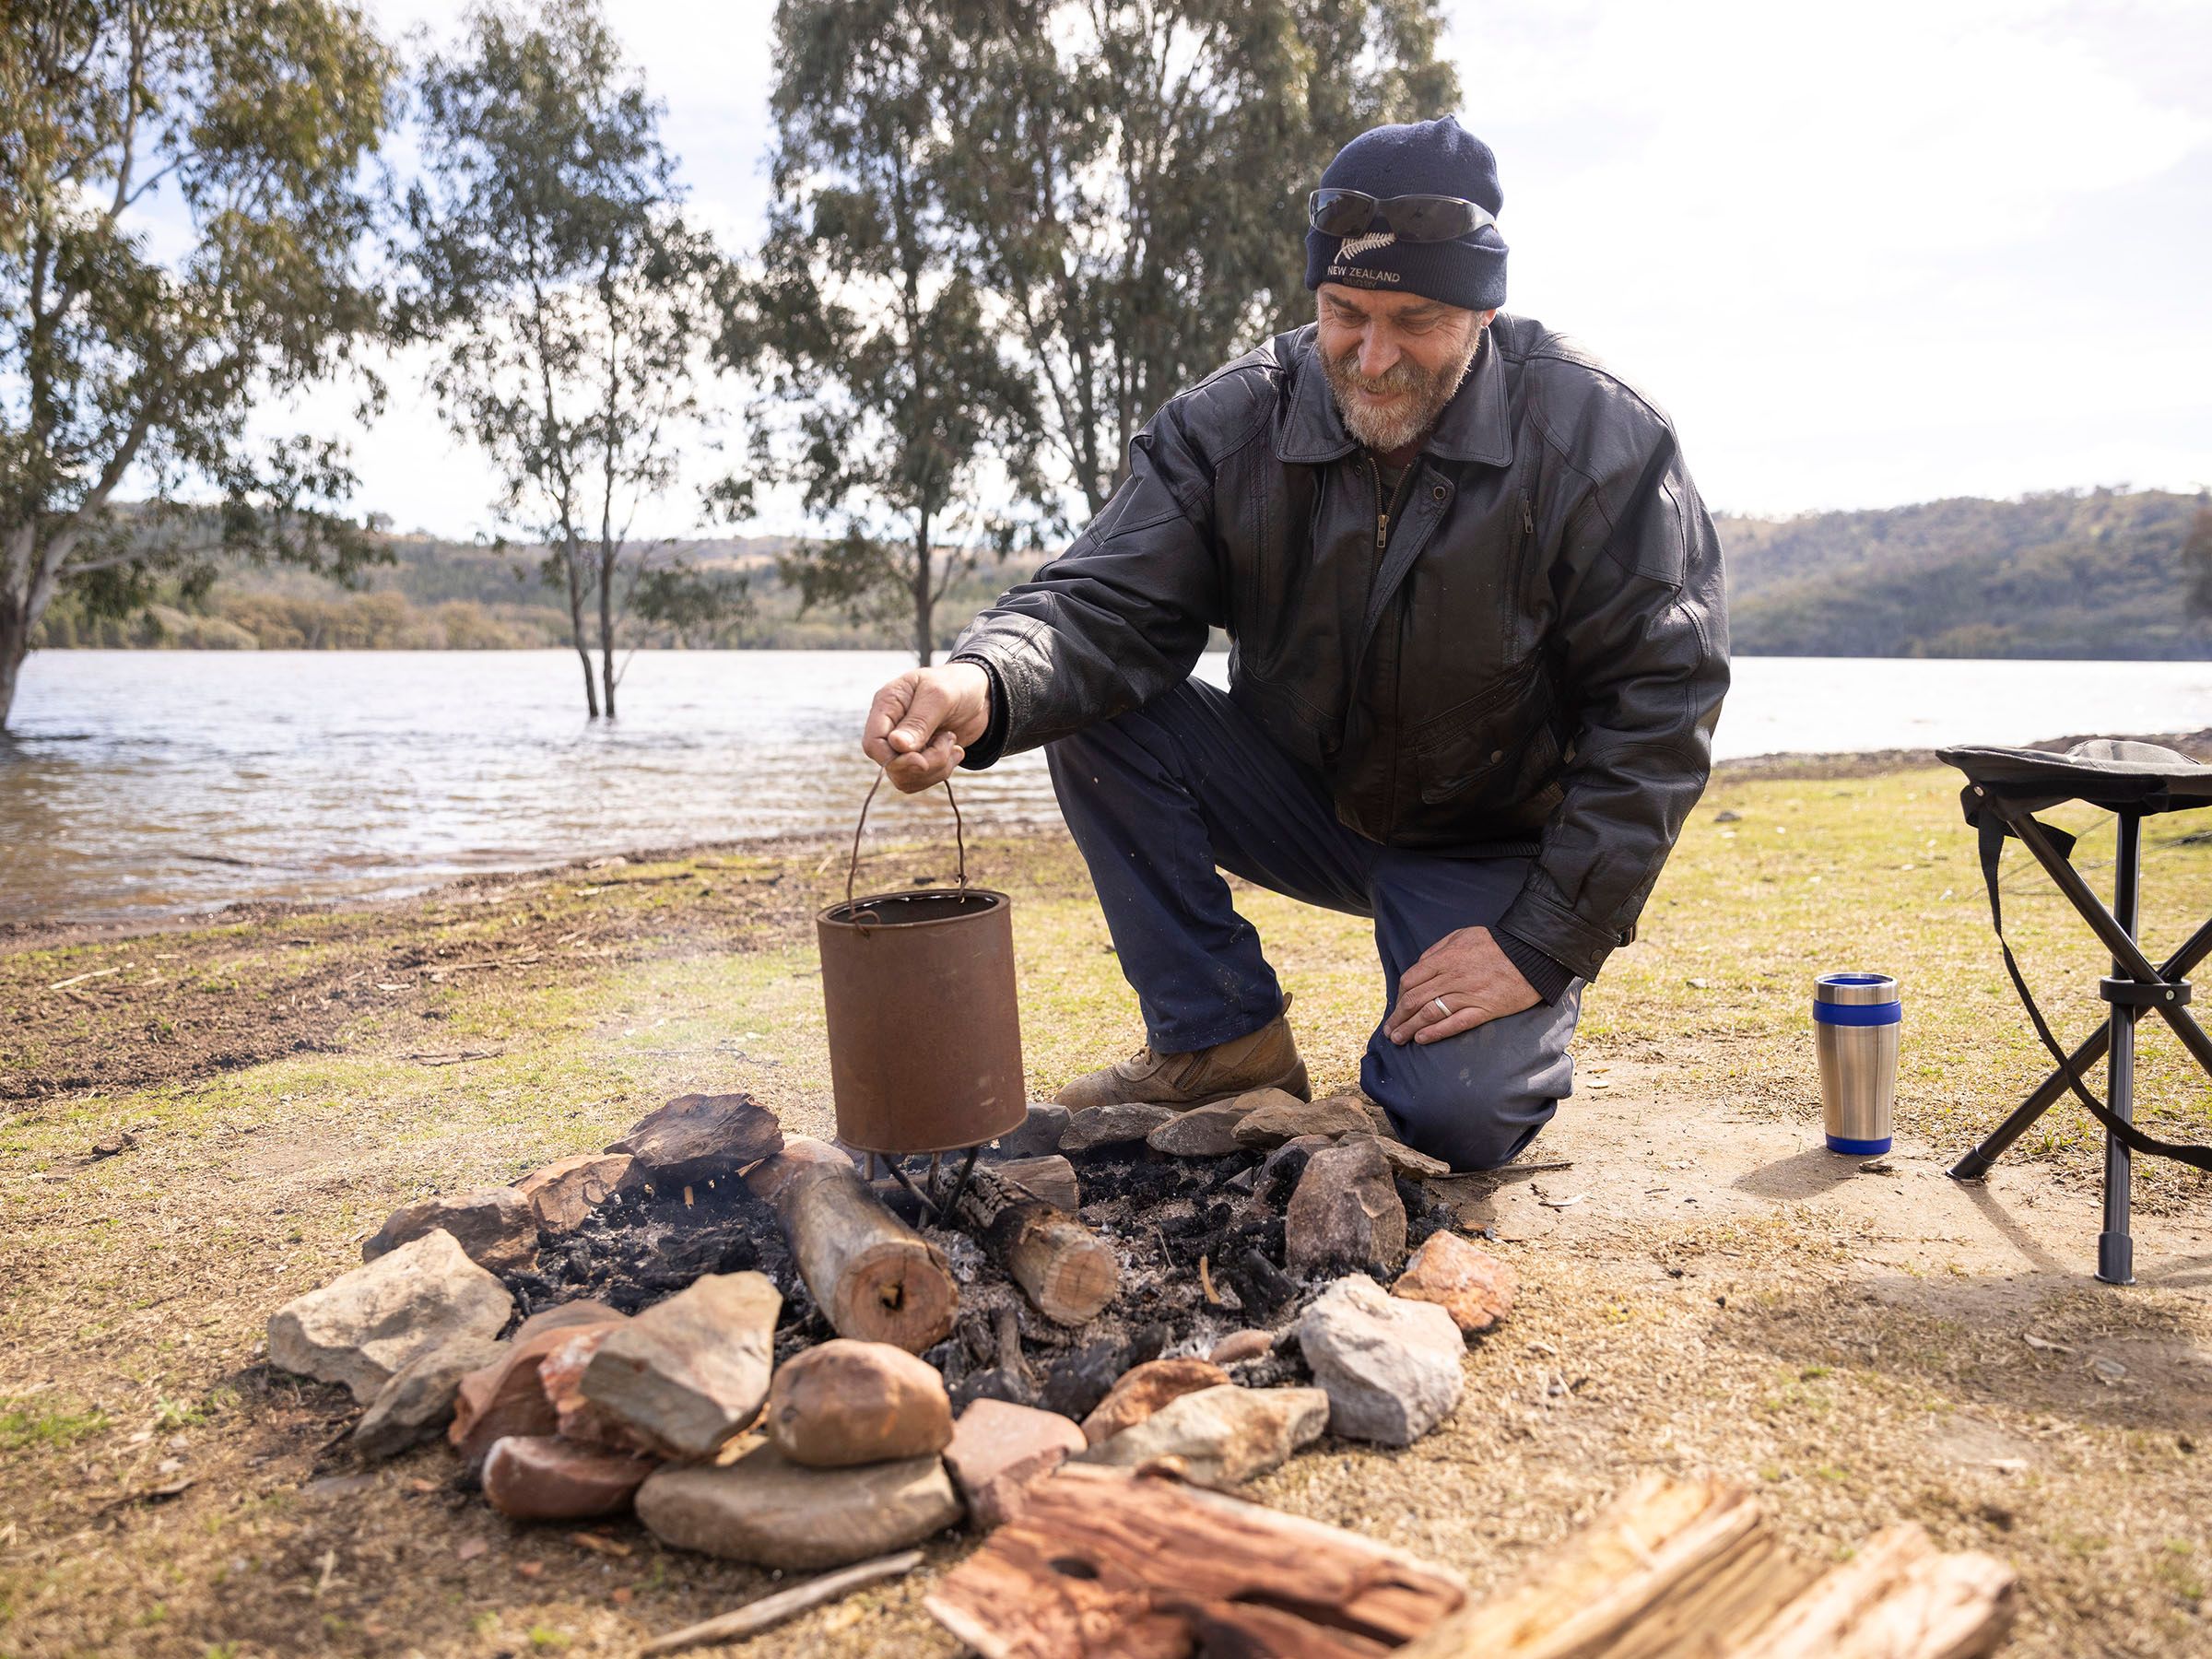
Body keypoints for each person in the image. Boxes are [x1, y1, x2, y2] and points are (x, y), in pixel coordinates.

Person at [859, 115, 1728, 1171]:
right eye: (1344, 313)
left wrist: (1538, 942)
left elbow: (1663, 705)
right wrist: (979, 678)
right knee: (1090, 702)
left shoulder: (1602, 437)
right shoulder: (1231, 424)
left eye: (1416, 320)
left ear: (1485, 307)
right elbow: (1099, 608)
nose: (1372, 358)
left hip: (1493, 840)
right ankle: (1221, 1038)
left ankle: (1453, 1036)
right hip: (1306, 799)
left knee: (1456, 1117)